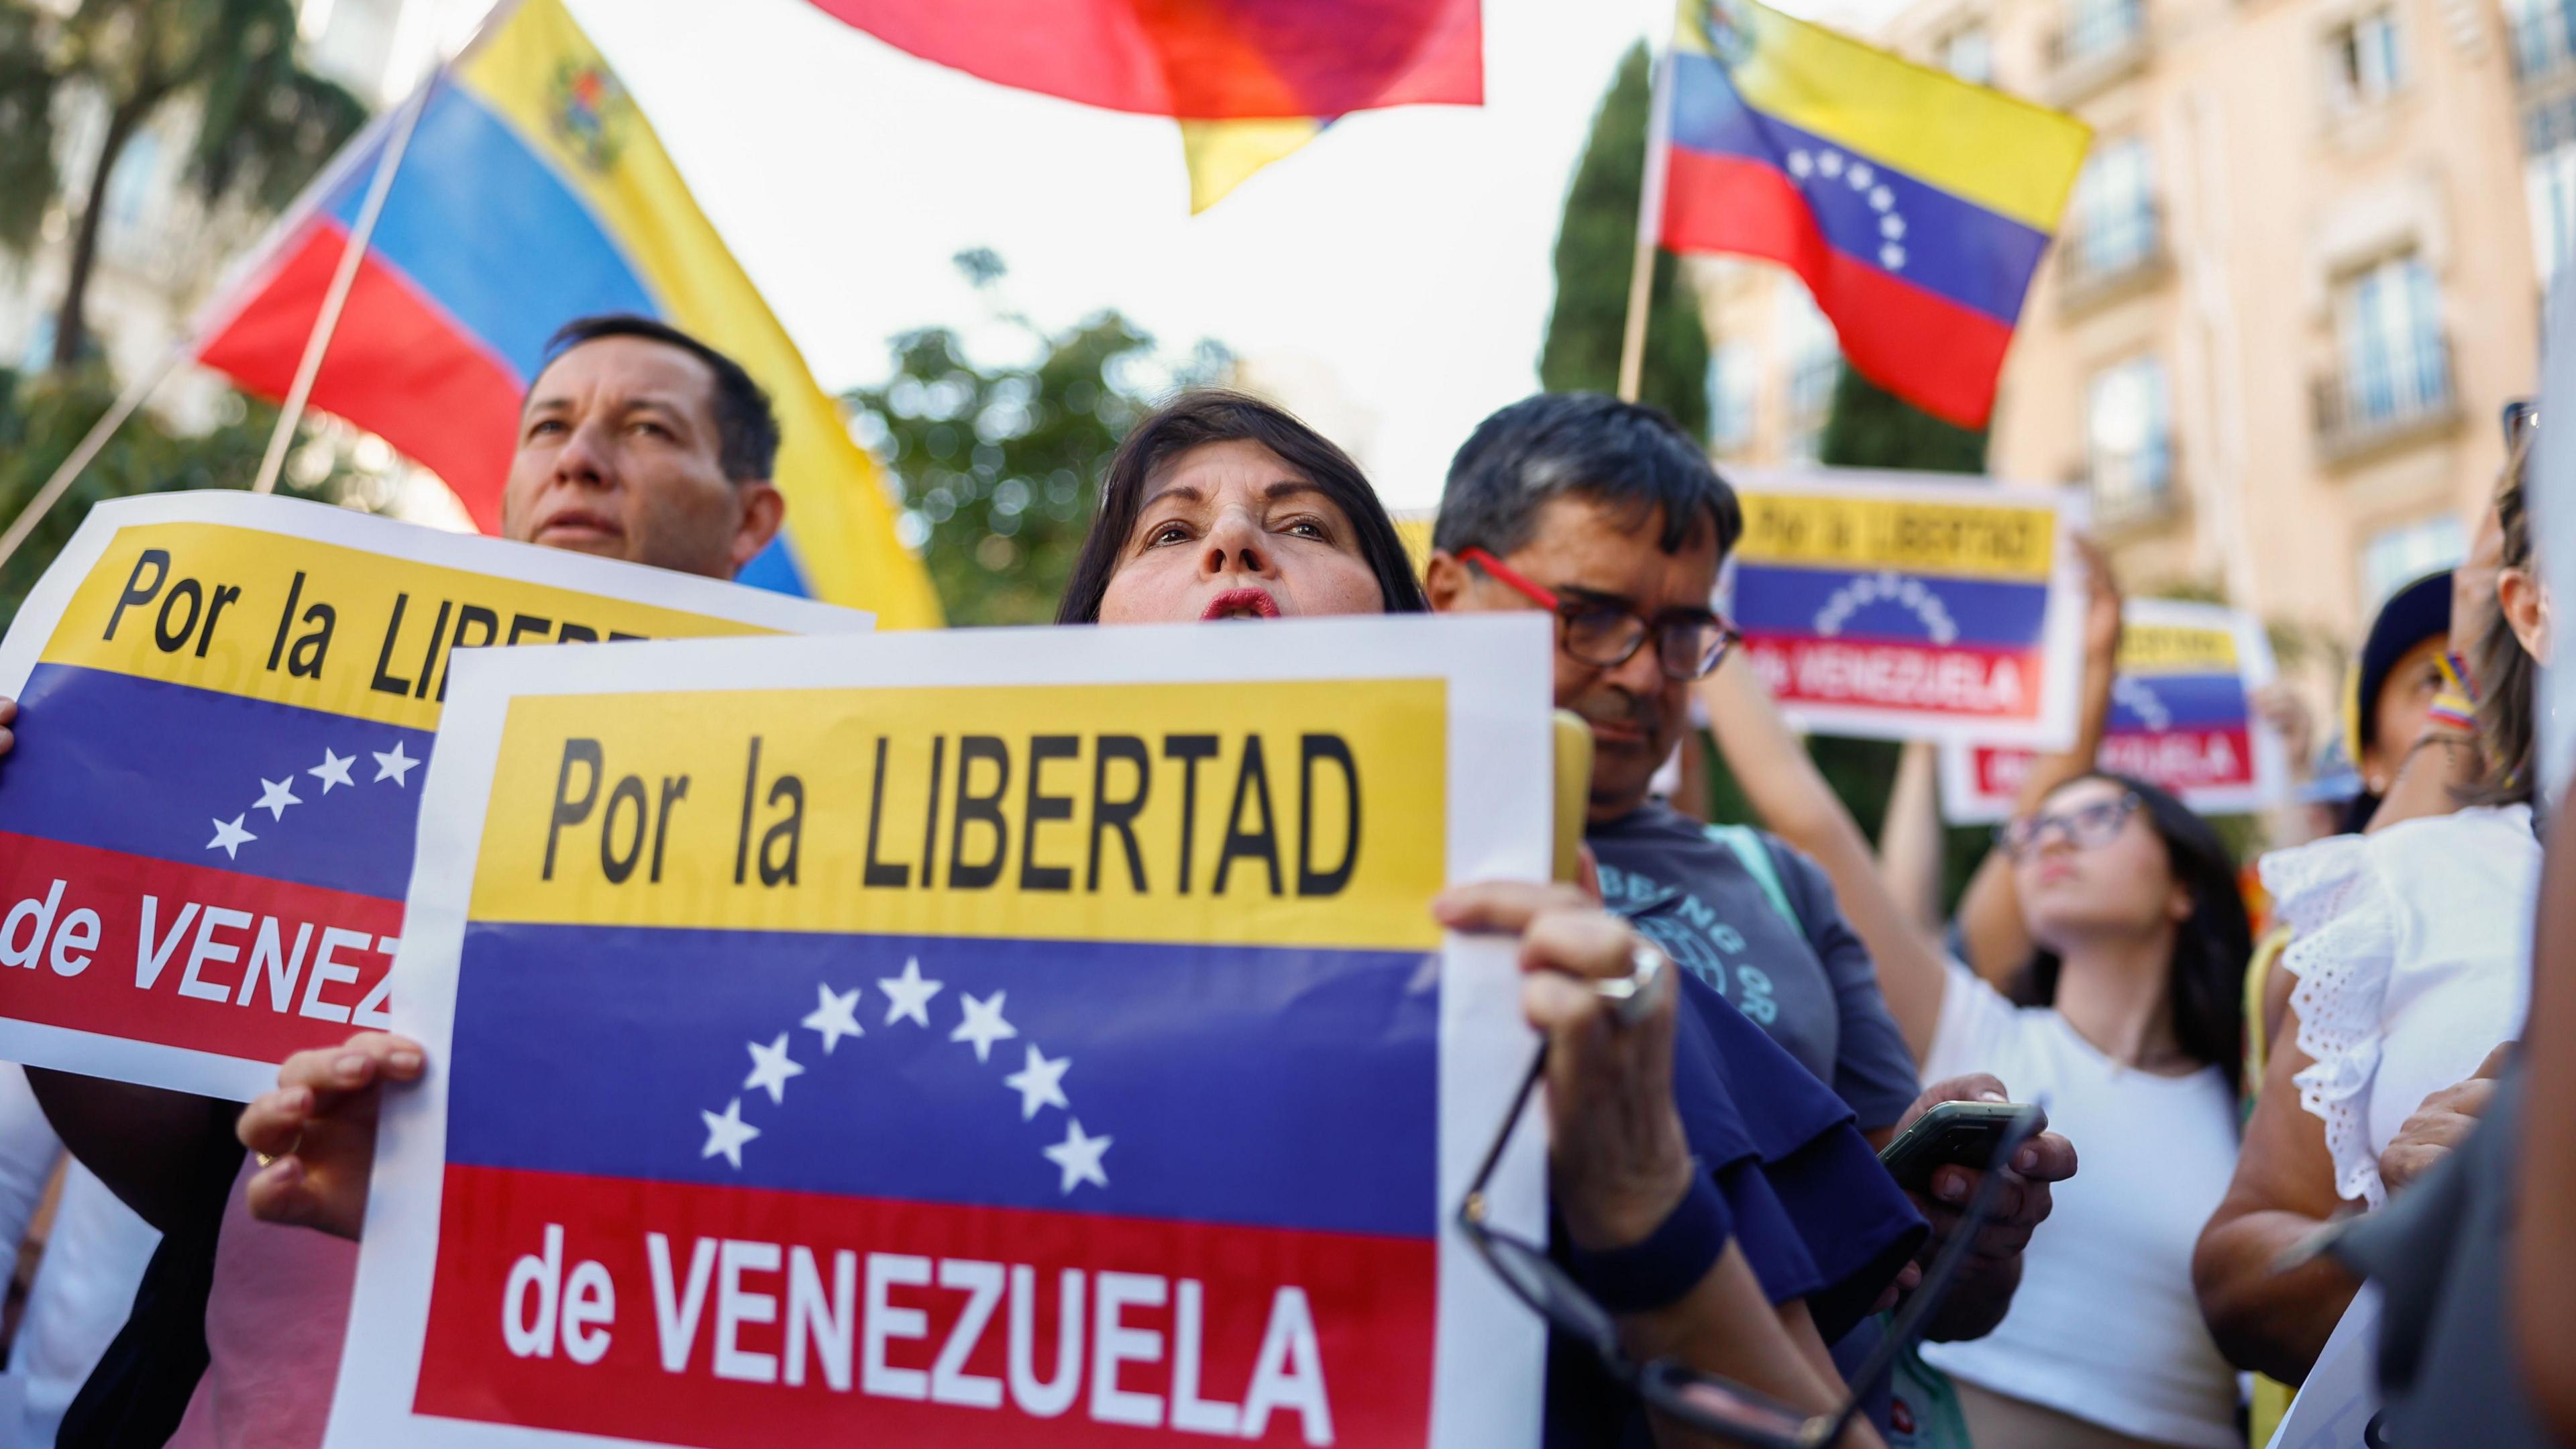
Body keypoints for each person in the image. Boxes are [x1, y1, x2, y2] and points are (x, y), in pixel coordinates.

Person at [250, 390, 1925, 1446]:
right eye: (1176, 533)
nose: (1238, 559)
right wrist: (422, 1216)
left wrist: (1634, 1191)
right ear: (1093, 626)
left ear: (1409, 614)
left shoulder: (1572, 975)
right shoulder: (900, 972)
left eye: (1300, 527)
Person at [5, 313, 791, 1449]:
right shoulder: (345, 758)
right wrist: (34, 859)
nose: (579, 456)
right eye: (550, 426)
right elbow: (201, 1164)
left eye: (648, 427)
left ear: (750, 514)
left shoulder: (800, 801)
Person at [1419, 393, 2078, 1432]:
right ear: (1449, 591)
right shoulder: (1373, 847)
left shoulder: (1778, 880)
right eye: (1589, 615)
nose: (1641, 675)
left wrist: (1970, 1232)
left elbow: (1933, 1298)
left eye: (1684, 632)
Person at [1690, 553, 2249, 1448]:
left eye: (2100, 820)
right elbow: (1808, 817)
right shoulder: (1978, 1034)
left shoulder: (2256, 1102)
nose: (2055, 839)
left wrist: (2093, 666)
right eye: (2036, 832)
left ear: (2186, 884)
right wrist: (1700, 628)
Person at [2193, 445, 2543, 1385]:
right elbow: (2236, 1278)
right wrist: (2406, 1234)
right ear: (2533, 610)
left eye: (2451, 676)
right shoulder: (2393, 881)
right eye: (2419, 684)